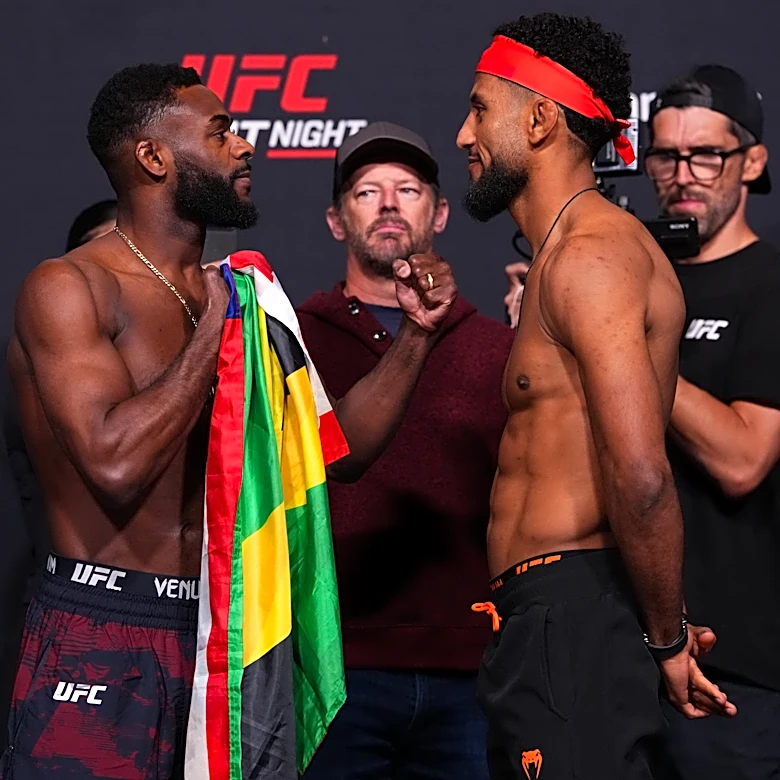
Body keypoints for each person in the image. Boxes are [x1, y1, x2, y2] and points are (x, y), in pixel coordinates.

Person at [1, 63, 456, 779]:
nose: (244, 146)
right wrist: (211, 336)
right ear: (154, 158)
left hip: (226, 636)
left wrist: (418, 338)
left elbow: (335, 454)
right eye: (219, 132)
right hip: (101, 630)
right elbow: (113, 463)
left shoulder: (242, 295)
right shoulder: (70, 286)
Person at [456, 13, 735, 780]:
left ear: (541, 120)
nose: (462, 134)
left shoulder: (594, 255)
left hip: (571, 618)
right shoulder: (572, 253)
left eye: (481, 108)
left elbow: (641, 477)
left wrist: (666, 637)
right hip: (551, 621)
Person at [297, 122, 513, 780]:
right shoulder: (291, 342)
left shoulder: (498, 349)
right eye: (367, 191)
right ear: (337, 221)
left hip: (468, 678)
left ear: (440, 213)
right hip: (334, 672)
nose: (388, 203)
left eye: (408, 189)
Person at [644, 66, 780, 780]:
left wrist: (618, 343)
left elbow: (742, 459)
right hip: (621, 658)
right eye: (665, 155)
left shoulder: (768, 286)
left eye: (706, 155)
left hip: (735, 671)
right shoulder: (635, 275)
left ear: (752, 162)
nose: (682, 174)